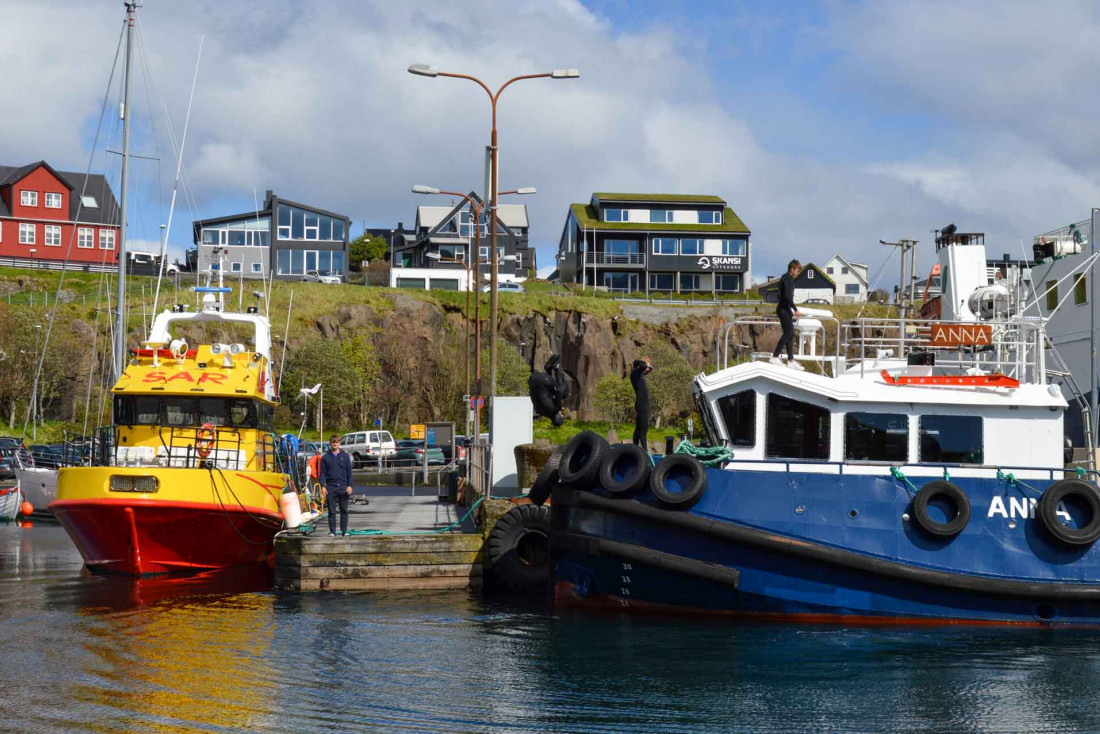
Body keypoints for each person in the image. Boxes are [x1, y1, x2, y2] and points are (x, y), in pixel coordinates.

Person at [770, 259, 805, 371]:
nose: (798, 273)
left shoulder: (785, 278)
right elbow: (787, 297)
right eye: (797, 271)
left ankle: (791, 360)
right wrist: (795, 310)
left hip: (785, 309)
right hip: (783, 310)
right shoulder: (787, 280)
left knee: (790, 334)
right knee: (788, 333)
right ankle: (775, 357)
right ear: (792, 269)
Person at [320, 434, 354, 537]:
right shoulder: (325, 458)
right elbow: (322, 473)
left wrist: (349, 485)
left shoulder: (345, 456)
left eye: (337, 442)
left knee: (344, 510)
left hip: (343, 487)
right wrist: (323, 486)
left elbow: (349, 472)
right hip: (331, 487)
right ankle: (332, 532)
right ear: (330, 443)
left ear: (339, 443)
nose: (335, 444)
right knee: (332, 511)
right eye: (333, 442)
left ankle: (344, 531)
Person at [528, 353, 569, 427]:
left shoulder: (556, 409)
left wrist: (565, 383)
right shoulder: (540, 411)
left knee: (564, 394)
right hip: (533, 378)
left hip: (544, 380)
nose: (562, 413)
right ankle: (548, 368)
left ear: (560, 416)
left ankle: (556, 367)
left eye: (562, 415)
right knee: (550, 391)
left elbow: (559, 392)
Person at [630, 358, 652, 449]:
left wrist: (648, 365)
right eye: (646, 367)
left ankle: (635, 448)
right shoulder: (635, 373)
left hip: (643, 404)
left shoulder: (640, 375)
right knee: (643, 428)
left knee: (639, 428)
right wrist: (644, 363)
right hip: (641, 404)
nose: (647, 369)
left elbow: (651, 368)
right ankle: (645, 451)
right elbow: (640, 365)